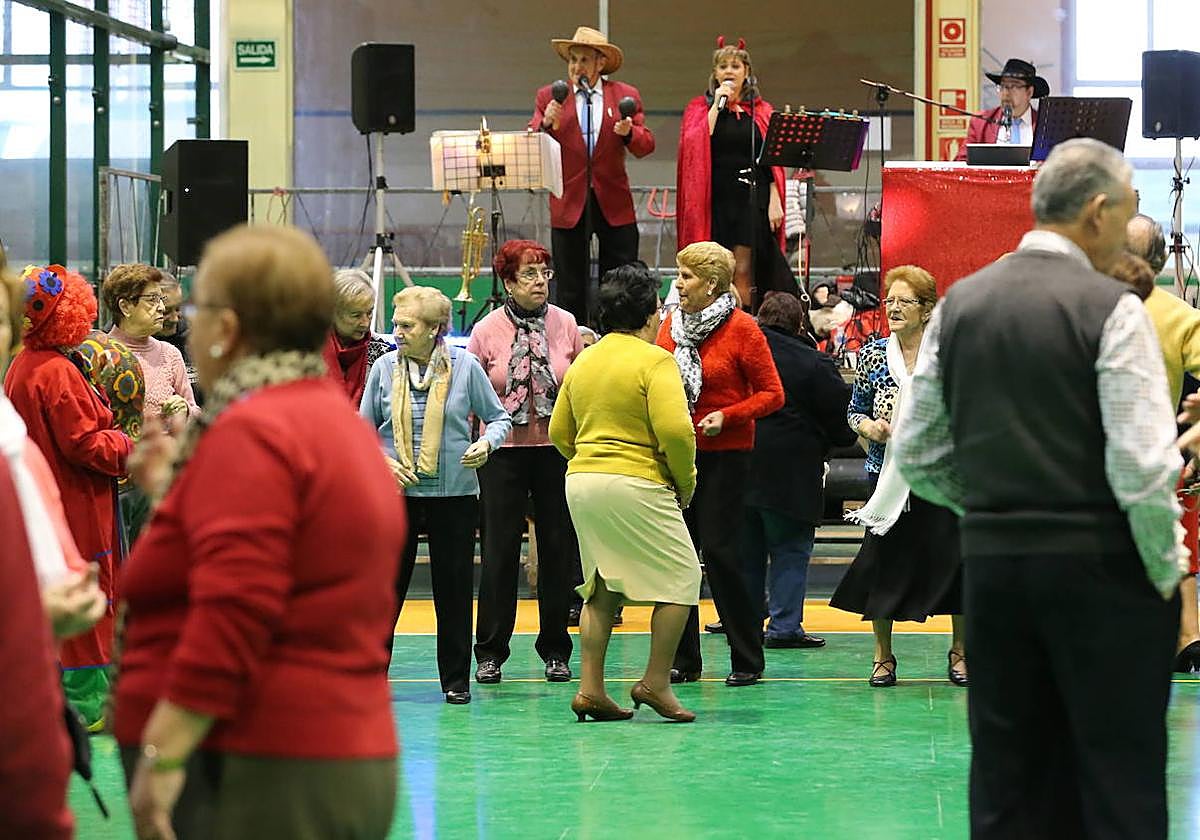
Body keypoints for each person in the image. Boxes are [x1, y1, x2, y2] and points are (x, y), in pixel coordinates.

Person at [895, 138, 1182, 837]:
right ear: (1096, 212)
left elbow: (919, 451)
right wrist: (1166, 571)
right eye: (1128, 211)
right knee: (1119, 778)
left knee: (1008, 779)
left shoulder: (960, 305)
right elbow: (1141, 468)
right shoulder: (1111, 308)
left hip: (994, 569)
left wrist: (996, 507)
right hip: (1103, 572)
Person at [113, 225, 405, 840]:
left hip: (263, 766)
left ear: (226, 326)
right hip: (318, 753)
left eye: (196, 310)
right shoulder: (326, 421)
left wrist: (161, 756)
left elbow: (236, 608)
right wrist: (181, 493)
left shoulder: (256, 431)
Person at [550, 263, 700, 722]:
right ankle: (655, 682)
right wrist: (685, 482)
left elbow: (560, 431)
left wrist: (590, 458)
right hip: (636, 482)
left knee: (601, 586)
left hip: (583, 481)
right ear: (651, 315)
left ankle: (591, 689)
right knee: (681, 579)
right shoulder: (655, 360)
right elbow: (677, 432)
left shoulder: (586, 360)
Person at [361, 285, 511, 705]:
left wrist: (486, 443)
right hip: (396, 496)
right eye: (395, 323)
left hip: (456, 496)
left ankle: (455, 680)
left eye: (406, 325)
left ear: (434, 329)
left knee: (455, 589)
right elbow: (361, 429)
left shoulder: (465, 367)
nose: (397, 332)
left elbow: (498, 418)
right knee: (385, 589)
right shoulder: (384, 367)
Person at [5, 263, 134, 727]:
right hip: (78, 503)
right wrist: (129, 446)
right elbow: (85, 443)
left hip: (51, 502)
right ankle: (89, 705)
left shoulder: (25, 365)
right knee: (88, 597)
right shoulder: (56, 371)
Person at [830, 265, 966, 687]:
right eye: (890, 300)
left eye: (904, 301)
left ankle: (960, 652)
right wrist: (868, 428)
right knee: (882, 563)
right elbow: (855, 410)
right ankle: (882, 655)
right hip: (886, 475)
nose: (893, 308)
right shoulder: (872, 354)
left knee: (954, 562)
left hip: (941, 475)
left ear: (927, 309)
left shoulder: (949, 354)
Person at [656, 241, 784, 687]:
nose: (678, 283)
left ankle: (747, 657)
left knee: (722, 555)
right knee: (679, 559)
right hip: (678, 456)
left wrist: (726, 416)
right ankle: (685, 659)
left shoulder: (744, 329)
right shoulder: (670, 326)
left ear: (711, 284)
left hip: (726, 457)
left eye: (687, 276)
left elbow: (773, 394)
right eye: (679, 274)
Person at [468, 240, 583, 684]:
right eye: (529, 275)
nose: (540, 283)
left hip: (555, 451)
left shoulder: (566, 324)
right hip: (502, 455)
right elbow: (473, 395)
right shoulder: (486, 330)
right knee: (498, 554)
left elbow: (576, 387)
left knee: (557, 551)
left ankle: (556, 649)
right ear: (508, 282)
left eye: (544, 274)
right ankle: (491, 651)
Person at [745, 292, 856, 648]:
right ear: (799, 324)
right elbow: (843, 423)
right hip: (793, 473)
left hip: (738, 467)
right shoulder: (814, 363)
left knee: (745, 552)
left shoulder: (739, 354)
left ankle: (741, 621)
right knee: (790, 549)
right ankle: (784, 627)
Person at [530, 26, 655, 324]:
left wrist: (628, 134)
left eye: (584, 59)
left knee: (620, 280)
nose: (576, 66)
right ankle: (573, 341)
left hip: (613, 200)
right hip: (569, 201)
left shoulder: (625, 95)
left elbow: (645, 144)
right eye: (572, 59)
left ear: (601, 62)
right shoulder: (550, 96)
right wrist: (545, 124)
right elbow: (531, 141)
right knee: (570, 283)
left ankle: (618, 336)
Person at [1124, 213, 1200, 673]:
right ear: (1160, 260)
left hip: (1093, 459)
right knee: (1178, 544)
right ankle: (1188, 635)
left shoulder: (1088, 308)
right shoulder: (1184, 317)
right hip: (1162, 453)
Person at [677, 36, 794, 309]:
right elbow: (695, 144)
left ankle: (745, 322)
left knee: (742, 268)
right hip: (715, 198)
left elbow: (771, 159)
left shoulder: (762, 111)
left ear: (747, 73)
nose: (729, 71)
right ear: (715, 74)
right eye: (723, 66)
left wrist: (776, 197)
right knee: (715, 270)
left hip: (751, 196)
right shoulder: (699, 108)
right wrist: (718, 105)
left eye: (736, 66)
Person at [102, 263, 200, 428]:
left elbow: (196, 412)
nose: (161, 308)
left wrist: (186, 410)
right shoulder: (99, 354)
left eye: (160, 299)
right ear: (125, 306)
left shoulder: (170, 354)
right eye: (152, 300)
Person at [322, 268, 393, 405]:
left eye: (369, 313)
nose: (366, 323)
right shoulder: (306, 353)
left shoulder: (385, 355)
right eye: (356, 315)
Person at [954, 58, 1049, 161]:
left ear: (1029, 92)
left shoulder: (1045, 125)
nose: (1006, 93)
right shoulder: (981, 123)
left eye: (1014, 86)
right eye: (1003, 86)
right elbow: (960, 163)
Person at [155, 270, 200, 402]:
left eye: (178, 308)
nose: (175, 319)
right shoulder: (120, 344)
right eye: (166, 311)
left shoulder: (193, 336)